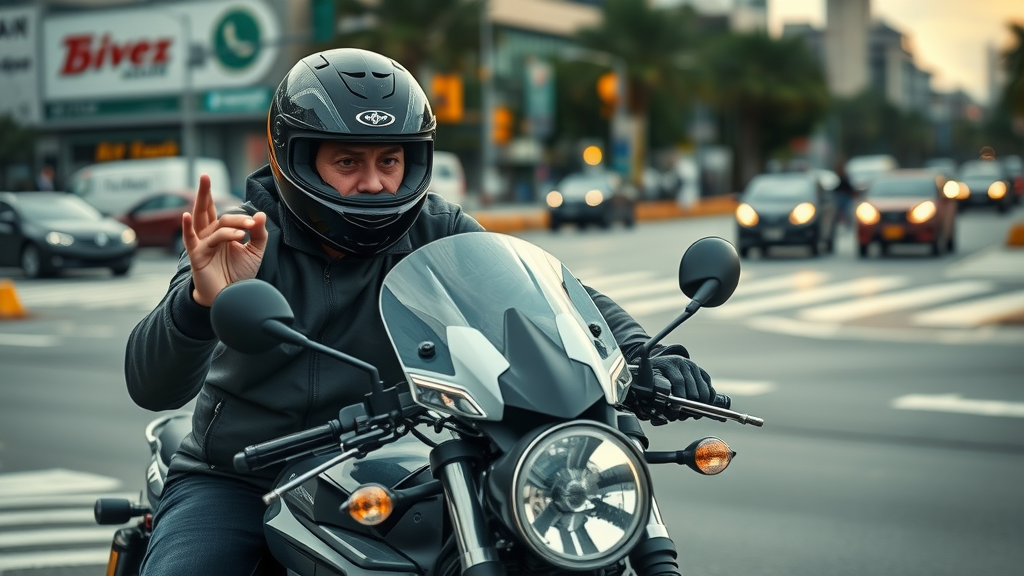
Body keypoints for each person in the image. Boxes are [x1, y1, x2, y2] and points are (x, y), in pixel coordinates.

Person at [125, 48, 719, 575]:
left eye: (390, 161)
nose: (377, 184)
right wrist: (201, 302)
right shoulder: (243, 236)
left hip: (396, 461)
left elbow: (554, 297)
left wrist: (645, 354)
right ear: (297, 162)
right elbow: (152, 385)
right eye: (347, 163)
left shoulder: (438, 229)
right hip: (240, 475)